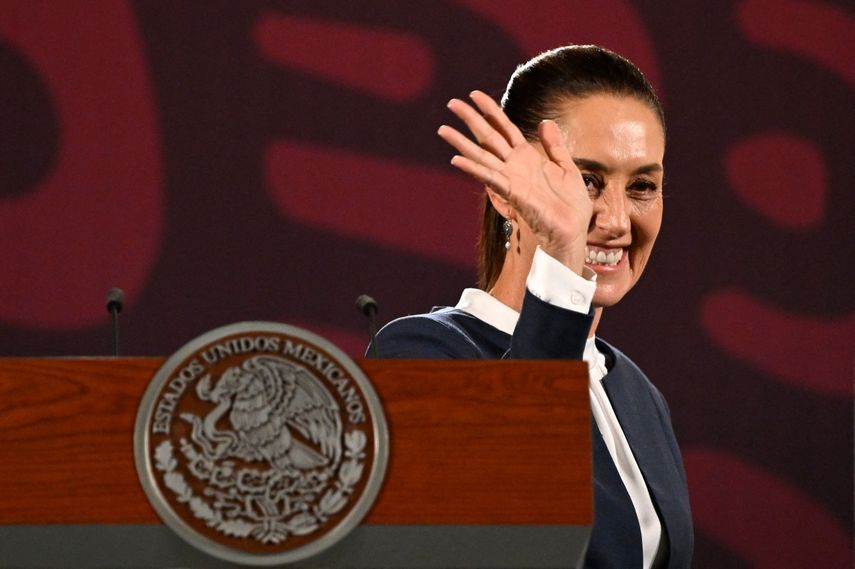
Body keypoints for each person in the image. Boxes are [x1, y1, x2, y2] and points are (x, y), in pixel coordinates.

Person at [374, 45, 693, 568]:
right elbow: (511, 535)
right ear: (506, 194)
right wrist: (563, 260)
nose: (615, 219)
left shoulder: (638, 393)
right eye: (586, 182)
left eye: (642, 186)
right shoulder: (419, 355)